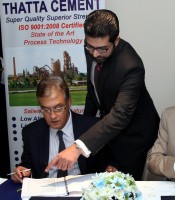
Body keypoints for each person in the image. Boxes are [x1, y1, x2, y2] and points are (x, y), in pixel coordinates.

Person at [45, 9, 160, 180]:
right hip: (106, 129)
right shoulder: (93, 46)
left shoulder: (131, 66)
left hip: (133, 136)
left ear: (117, 40)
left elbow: (120, 115)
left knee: (123, 186)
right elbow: (93, 90)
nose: (94, 54)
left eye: (102, 49)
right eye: (90, 47)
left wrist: (78, 146)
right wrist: (81, 130)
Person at [11, 75, 100, 183]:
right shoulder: (31, 132)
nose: (53, 116)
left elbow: (106, 161)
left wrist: (110, 167)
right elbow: (27, 165)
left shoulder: (92, 127)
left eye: (58, 108)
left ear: (69, 102)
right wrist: (23, 171)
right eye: (46, 109)